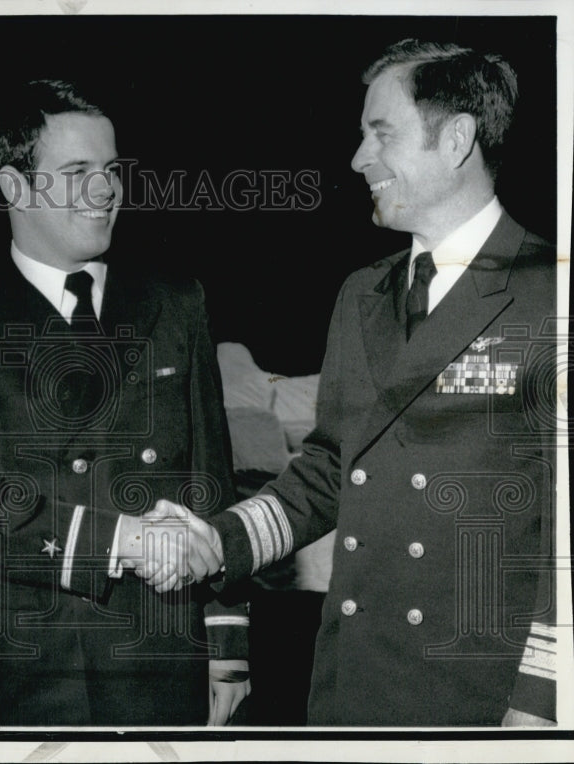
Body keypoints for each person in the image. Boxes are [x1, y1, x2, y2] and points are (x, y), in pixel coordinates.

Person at [145, 39, 558, 726]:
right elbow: (331, 469)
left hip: (480, 700)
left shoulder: (550, 294)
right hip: (355, 681)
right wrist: (220, 540)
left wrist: (540, 703)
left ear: (456, 138)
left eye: (380, 133)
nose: (358, 158)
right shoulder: (361, 294)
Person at [0, 80, 250, 726]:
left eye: (111, 171)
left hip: (158, 663)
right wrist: (120, 540)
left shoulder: (175, 301)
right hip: (21, 675)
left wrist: (229, 649)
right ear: (14, 188)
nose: (105, 192)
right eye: (76, 172)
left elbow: (212, 485)